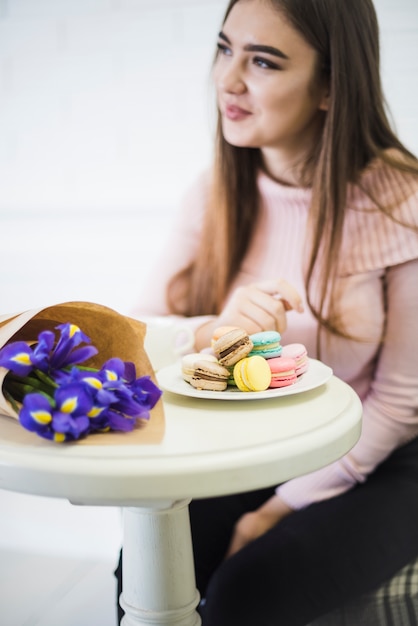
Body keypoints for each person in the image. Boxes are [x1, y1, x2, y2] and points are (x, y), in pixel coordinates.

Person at [115, 0, 418, 624]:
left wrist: (278, 508)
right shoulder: (214, 193)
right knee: (145, 564)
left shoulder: (401, 200)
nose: (228, 79)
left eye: (264, 61)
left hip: (387, 457)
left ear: (331, 86)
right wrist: (213, 329)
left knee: (248, 593)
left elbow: (401, 400)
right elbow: (133, 338)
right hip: (266, 443)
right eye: (225, 48)